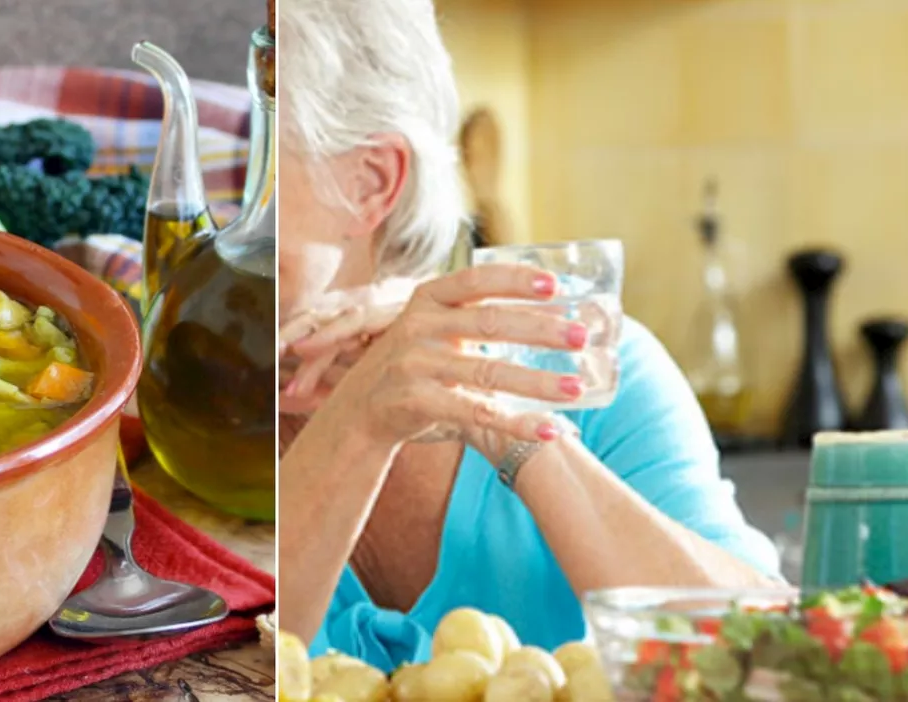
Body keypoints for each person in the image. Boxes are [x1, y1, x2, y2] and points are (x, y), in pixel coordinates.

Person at [276, 0, 782, 671]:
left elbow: (767, 660)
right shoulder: (199, 417)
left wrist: (513, 428)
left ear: (372, 182)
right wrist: (357, 428)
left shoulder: (590, 371)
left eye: (250, 163)